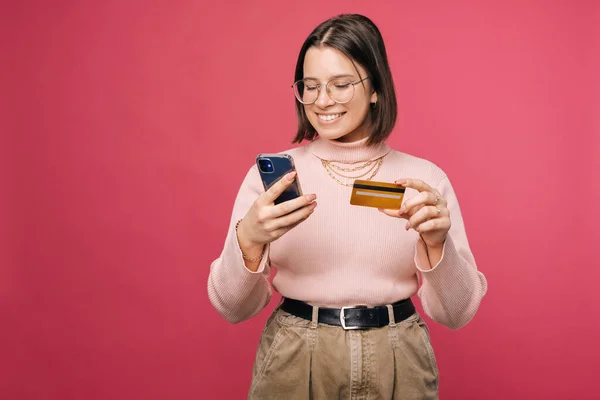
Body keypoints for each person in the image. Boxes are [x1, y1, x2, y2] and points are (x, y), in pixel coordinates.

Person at [207, 13, 487, 400]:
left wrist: (438, 245)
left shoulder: (425, 182)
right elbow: (231, 308)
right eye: (310, 86)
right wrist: (249, 240)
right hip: (295, 354)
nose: (322, 101)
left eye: (341, 85)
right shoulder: (271, 181)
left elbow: (456, 315)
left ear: (376, 89)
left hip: (398, 354)